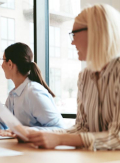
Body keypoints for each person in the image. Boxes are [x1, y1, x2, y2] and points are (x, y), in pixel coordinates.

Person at [20, 4, 120, 150]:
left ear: (95, 32)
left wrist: (60, 139)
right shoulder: (85, 77)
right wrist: (37, 134)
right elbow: (81, 128)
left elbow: (117, 137)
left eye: (74, 34)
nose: (72, 42)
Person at [0, 42, 64, 133]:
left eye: (3, 60)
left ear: (10, 64)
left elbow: (59, 128)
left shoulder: (34, 92)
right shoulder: (13, 94)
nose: (1, 65)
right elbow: (3, 123)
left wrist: (24, 131)